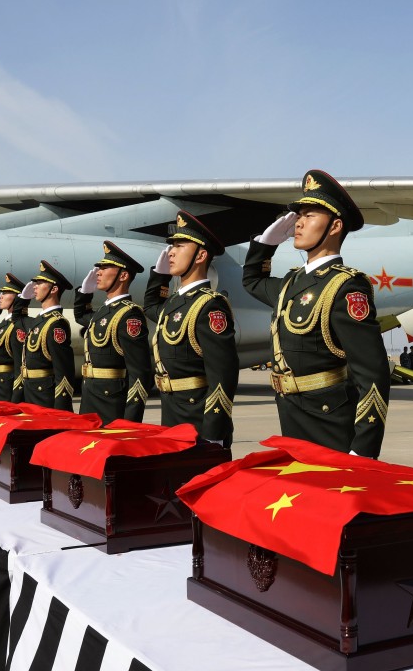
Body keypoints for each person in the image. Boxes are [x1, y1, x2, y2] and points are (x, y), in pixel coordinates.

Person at [242, 169, 390, 458]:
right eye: (299, 215)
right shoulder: (290, 284)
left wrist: (364, 449)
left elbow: (372, 375)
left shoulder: (345, 286)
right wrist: (264, 245)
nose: (299, 222)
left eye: (309, 216)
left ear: (335, 227)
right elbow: (252, 281)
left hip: (330, 421)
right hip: (291, 413)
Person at [145, 211, 238, 445]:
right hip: (173, 417)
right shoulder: (174, 304)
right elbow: (150, 307)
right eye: (171, 246)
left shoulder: (209, 305)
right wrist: (159, 276)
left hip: (199, 421)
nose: (171, 252)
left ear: (200, 255)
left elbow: (223, 375)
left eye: (179, 246)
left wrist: (213, 434)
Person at [75, 241, 154, 425]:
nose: (99, 272)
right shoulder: (103, 312)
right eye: (99, 268)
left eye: (106, 267)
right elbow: (81, 315)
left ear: (123, 275)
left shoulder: (129, 315)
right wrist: (85, 293)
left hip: (112, 405)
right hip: (90, 399)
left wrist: (130, 421)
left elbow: (140, 373)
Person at [19, 261, 75, 411]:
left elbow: (63, 371)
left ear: (54, 289)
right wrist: (22, 299)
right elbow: (17, 320)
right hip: (31, 392)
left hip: (45, 397)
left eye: (40, 283)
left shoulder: (56, 323)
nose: (34, 286)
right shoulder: (40, 320)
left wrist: (60, 410)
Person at [0, 274, 29, 403]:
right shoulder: (3, 324)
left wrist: (16, 396)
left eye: (6, 293)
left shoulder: (17, 326)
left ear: (17, 297)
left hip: (7, 387)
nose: (1, 296)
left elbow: (20, 366)